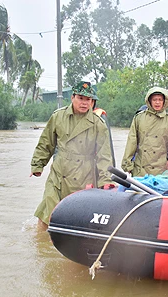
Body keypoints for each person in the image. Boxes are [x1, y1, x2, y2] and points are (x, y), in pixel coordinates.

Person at [30, 81, 113, 229]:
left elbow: (104, 155)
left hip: (84, 175)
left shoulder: (98, 124)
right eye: (81, 98)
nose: (84, 103)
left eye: (88, 99)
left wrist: (106, 180)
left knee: (77, 218)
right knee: (46, 213)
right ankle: (40, 247)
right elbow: (46, 142)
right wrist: (37, 165)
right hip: (59, 174)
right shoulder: (58, 117)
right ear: (72, 97)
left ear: (92, 102)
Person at [121, 87, 168, 177]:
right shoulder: (139, 118)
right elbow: (131, 142)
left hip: (161, 170)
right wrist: (127, 164)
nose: (157, 102)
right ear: (149, 101)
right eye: (155, 99)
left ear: (164, 101)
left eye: (160, 99)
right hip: (140, 169)